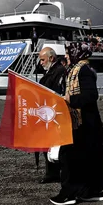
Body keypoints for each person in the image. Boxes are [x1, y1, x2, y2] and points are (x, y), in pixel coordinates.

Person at [50, 43, 103, 205]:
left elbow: (91, 95)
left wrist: (69, 100)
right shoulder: (81, 69)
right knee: (85, 158)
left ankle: (70, 193)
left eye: (68, 53)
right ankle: (88, 191)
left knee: (70, 156)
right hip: (85, 123)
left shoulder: (82, 71)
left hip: (84, 123)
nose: (66, 56)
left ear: (76, 54)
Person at [37, 47, 66, 185]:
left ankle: (56, 172)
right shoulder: (52, 71)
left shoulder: (59, 71)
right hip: (48, 111)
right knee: (48, 143)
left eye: (43, 60)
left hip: (55, 112)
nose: (41, 63)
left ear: (51, 58)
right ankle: (52, 171)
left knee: (55, 144)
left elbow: (54, 89)